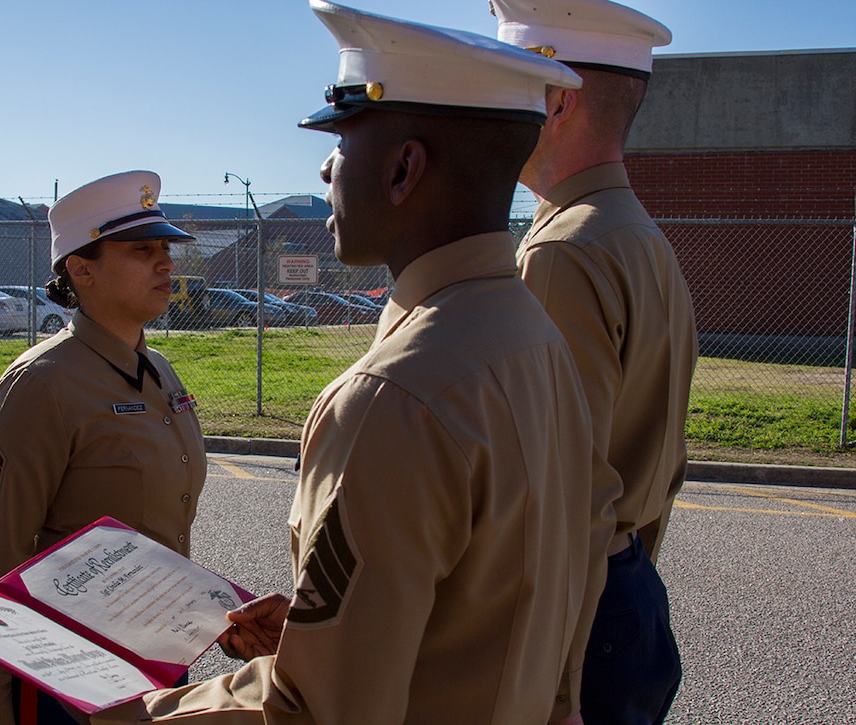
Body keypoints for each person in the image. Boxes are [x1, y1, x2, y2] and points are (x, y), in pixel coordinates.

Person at [82, 2, 609, 723]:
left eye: (344, 137)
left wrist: (137, 716)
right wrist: (315, 627)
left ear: (403, 168)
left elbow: (315, 709)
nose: (326, 164)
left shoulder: (393, 395)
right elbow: (503, 616)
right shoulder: (536, 342)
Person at [490, 1, 700, 723]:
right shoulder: (637, 234)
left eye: (511, 86)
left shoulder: (563, 250)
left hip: (587, 611)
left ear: (556, 101)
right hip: (627, 586)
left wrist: (559, 684)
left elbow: (568, 491)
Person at [0, 171, 207, 725]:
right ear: (81, 268)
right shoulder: (42, 384)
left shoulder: (160, 371)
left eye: (166, 248)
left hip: (158, 655)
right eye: (143, 250)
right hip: (71, 673)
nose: (167, 263)